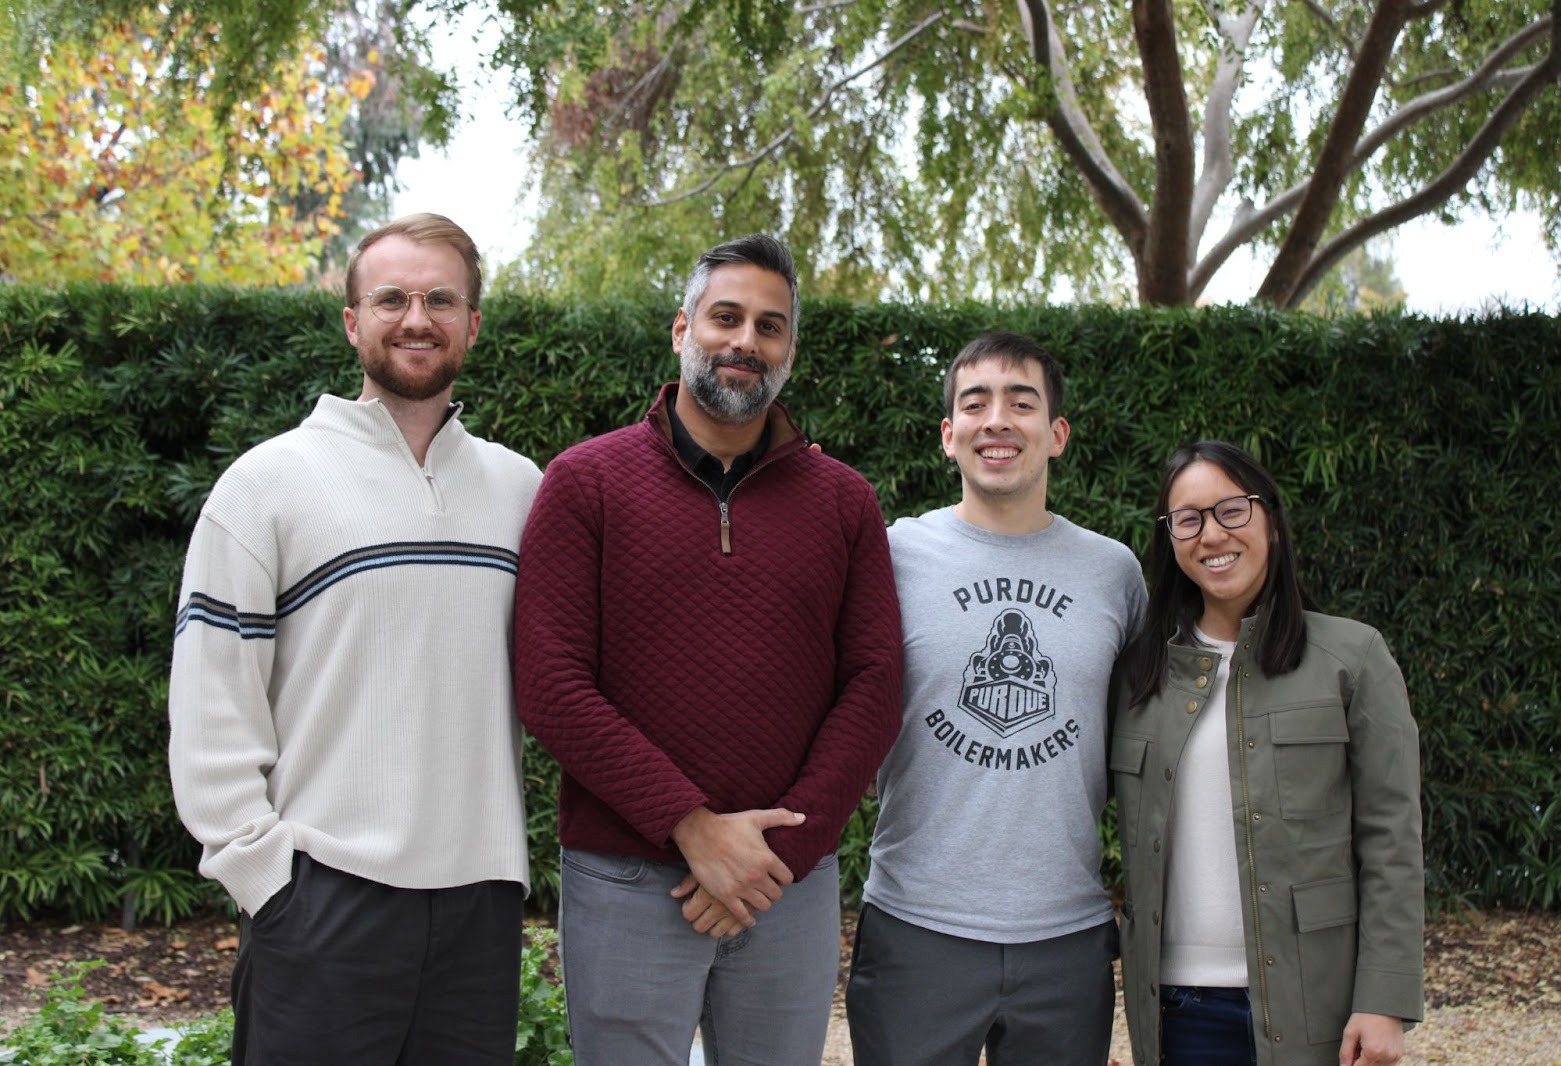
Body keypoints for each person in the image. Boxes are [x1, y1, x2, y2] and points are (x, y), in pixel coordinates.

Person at [513, 233, 904, 1065]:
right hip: (626, 878)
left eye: (770, 326)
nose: (745, 341)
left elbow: (875, 684)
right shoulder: (584, 483)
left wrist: (775, 857)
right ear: (682, 329)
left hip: (786, 884)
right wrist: (691, 827)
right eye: (726, 317)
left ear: (789, 350)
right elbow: (550, 683)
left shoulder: (845, 503)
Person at [167, 213, 541, 1064]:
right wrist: (265, 880)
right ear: (352, 321)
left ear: (473, 324)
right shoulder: (264, 485)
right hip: (320, 902)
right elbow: (212, 700)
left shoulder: (521, 489)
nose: (417, 318)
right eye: (391, 298)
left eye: (441, 300)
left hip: (480, 910)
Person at [845, 331, 1147, 1066]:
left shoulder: (1115, 573)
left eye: (1021, 402)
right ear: (949, 435)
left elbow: (1145, 735)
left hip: (1067, 937)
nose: (997, 420)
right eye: (975, 403)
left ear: (1057, 434)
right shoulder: (889, 556)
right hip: (915, 926)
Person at [1112, 440, 1424, 1066]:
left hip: (1315, 1002)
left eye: (1231, 510)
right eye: (1187, 519)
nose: (1211, 534)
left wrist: (1384, 1000)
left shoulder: (1352, 658)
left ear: (1272, 522)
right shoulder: (1139, 674)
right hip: (1176, 1010)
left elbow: (1392, 838)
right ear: (1170, 540)